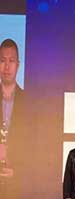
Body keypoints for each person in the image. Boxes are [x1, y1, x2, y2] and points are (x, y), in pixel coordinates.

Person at [0, 38, 23, 179]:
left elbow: (36, 148)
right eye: (3, 60)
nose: (7, 67)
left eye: (11, 61)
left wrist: (18, 172)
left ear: (18, 65)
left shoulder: (30, 103)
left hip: (19, 182)